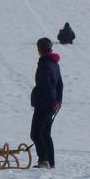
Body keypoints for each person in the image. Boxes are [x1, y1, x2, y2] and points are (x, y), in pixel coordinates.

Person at [31, 37, 64, 169]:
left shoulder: (44, 64)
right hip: (51, 104)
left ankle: (43, 161)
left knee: (36, 134)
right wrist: (58, 101)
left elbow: (45, 86)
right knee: (45, 134)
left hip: (44, 105)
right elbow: (60, 84)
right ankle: (51, 162)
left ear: (40, 50)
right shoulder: (54, 63)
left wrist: (52, 102)